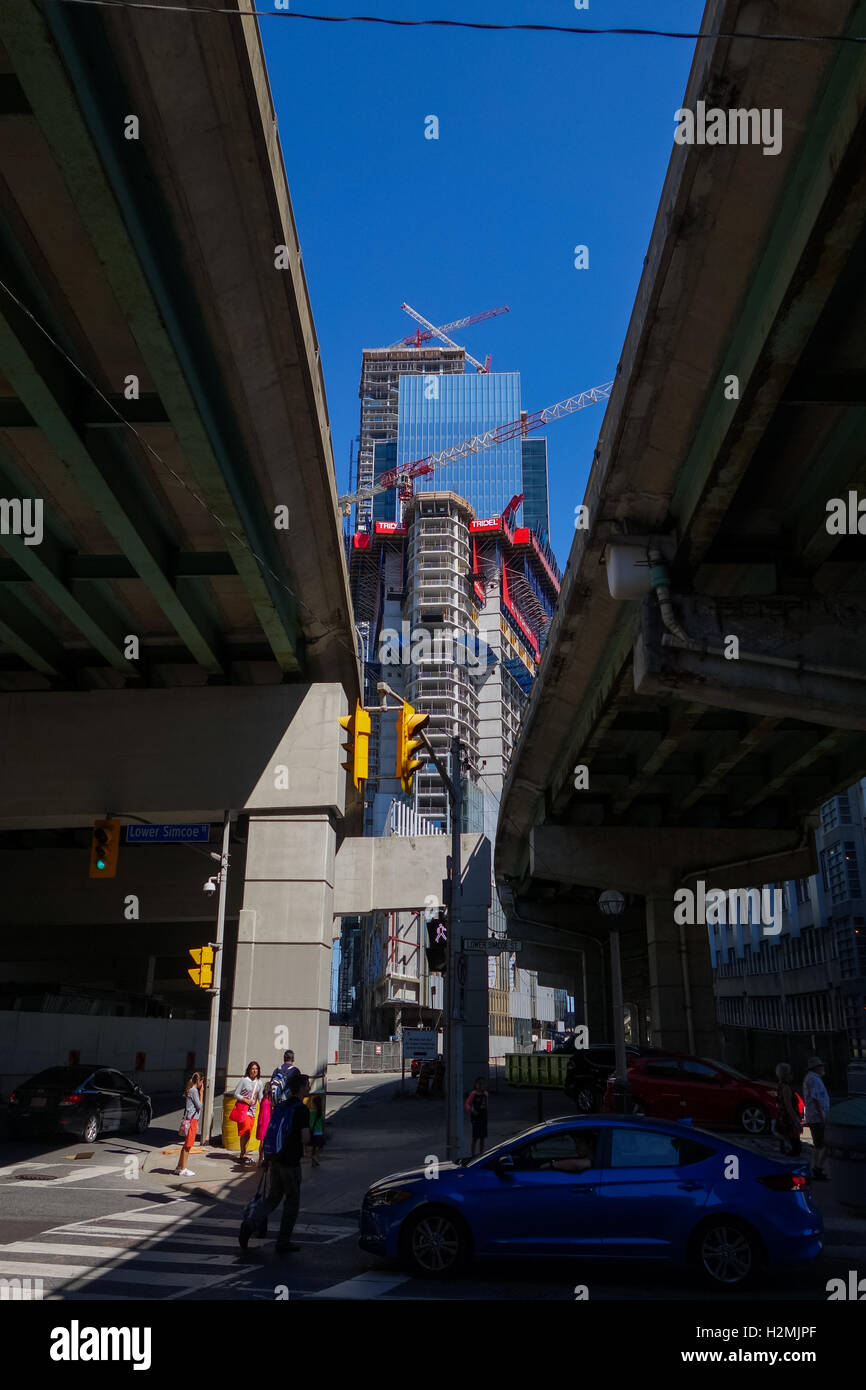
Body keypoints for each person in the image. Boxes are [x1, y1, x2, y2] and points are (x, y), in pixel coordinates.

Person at [240, 1073, 311, 1256]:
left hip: (276, 1160)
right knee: (292, 1202)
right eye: (307, 1085)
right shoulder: (301, 1110)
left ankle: (250, 1224)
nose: (309, 1088)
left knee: (273, 1198)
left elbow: (271, 1133)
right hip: (291, 1163)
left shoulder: (282, 1106)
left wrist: (267, 1159)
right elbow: (305, 1138)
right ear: (301, 1087)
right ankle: (283, 1241)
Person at [230, 1061, 263, 1166]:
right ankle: (242, 1154)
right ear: (249, 1070)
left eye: (256, 1069)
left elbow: (260, 1097)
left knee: (248, 1133)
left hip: (252, 1112)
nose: (254, 1071)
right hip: (244, 1111)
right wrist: (245, 1099)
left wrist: (265, 1107)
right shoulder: (244, 1081)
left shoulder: (259, 1083)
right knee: (245, 1130)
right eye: (252, 1069)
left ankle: (243, 1154)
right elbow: (236, 1094)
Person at [803, 1057, 830, 1181]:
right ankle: (818, 1168)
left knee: (818, 1144)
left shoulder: (811, 1078)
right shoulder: (814, 1080)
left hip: (814, 1117)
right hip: (817, 1118)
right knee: (824, 1144)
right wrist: (822, 1116)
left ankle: (815, 1168)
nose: (823, 1068)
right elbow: (816, 1098)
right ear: (816, 1068)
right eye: (821, 1066)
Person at [174, 1072, 203, 1177]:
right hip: (192, 1121)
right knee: (188, 1146)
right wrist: (202, 1093)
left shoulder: (191, 1090)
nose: (202, 1084)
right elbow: (199, 1106)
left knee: (186, 1145)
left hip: (191, 1120)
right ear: (199, 1081)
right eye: (202, 1082)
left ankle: (179, 1167)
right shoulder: (194, 1091)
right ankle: (183, 1169)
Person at [774, 1062, 801, 1157]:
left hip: (784, 1117)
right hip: (788, 1119)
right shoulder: (786, 1087)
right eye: (790, 1073)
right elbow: (788, 1106)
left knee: (793, 1144)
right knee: (795, 1146)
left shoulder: (780, 1085)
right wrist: (796, 1120)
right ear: (787, 1075)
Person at [465, 1076, 489, 1156]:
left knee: (482, 1136)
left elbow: (486, 1104)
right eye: (479, 1084)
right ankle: (473, 1154)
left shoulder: (485, 1094)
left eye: (483, 1084)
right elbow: (467, 1104)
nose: (481, 1086)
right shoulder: (473, 1094)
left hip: (483, 1116)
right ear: (475, 1085)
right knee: (475, 1137)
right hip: (476, 1117)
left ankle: (481, 1153)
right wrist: (472, 1110)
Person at [308, 1093, 325, 1166]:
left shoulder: (311, 1112)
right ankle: (316, 1158)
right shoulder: (320, 1113)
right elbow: (322, 1124)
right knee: (320, 1147)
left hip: (313, 1132)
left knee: (313, 1148)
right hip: (319, 1133)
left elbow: (310, 1123)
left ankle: (313, 1160)